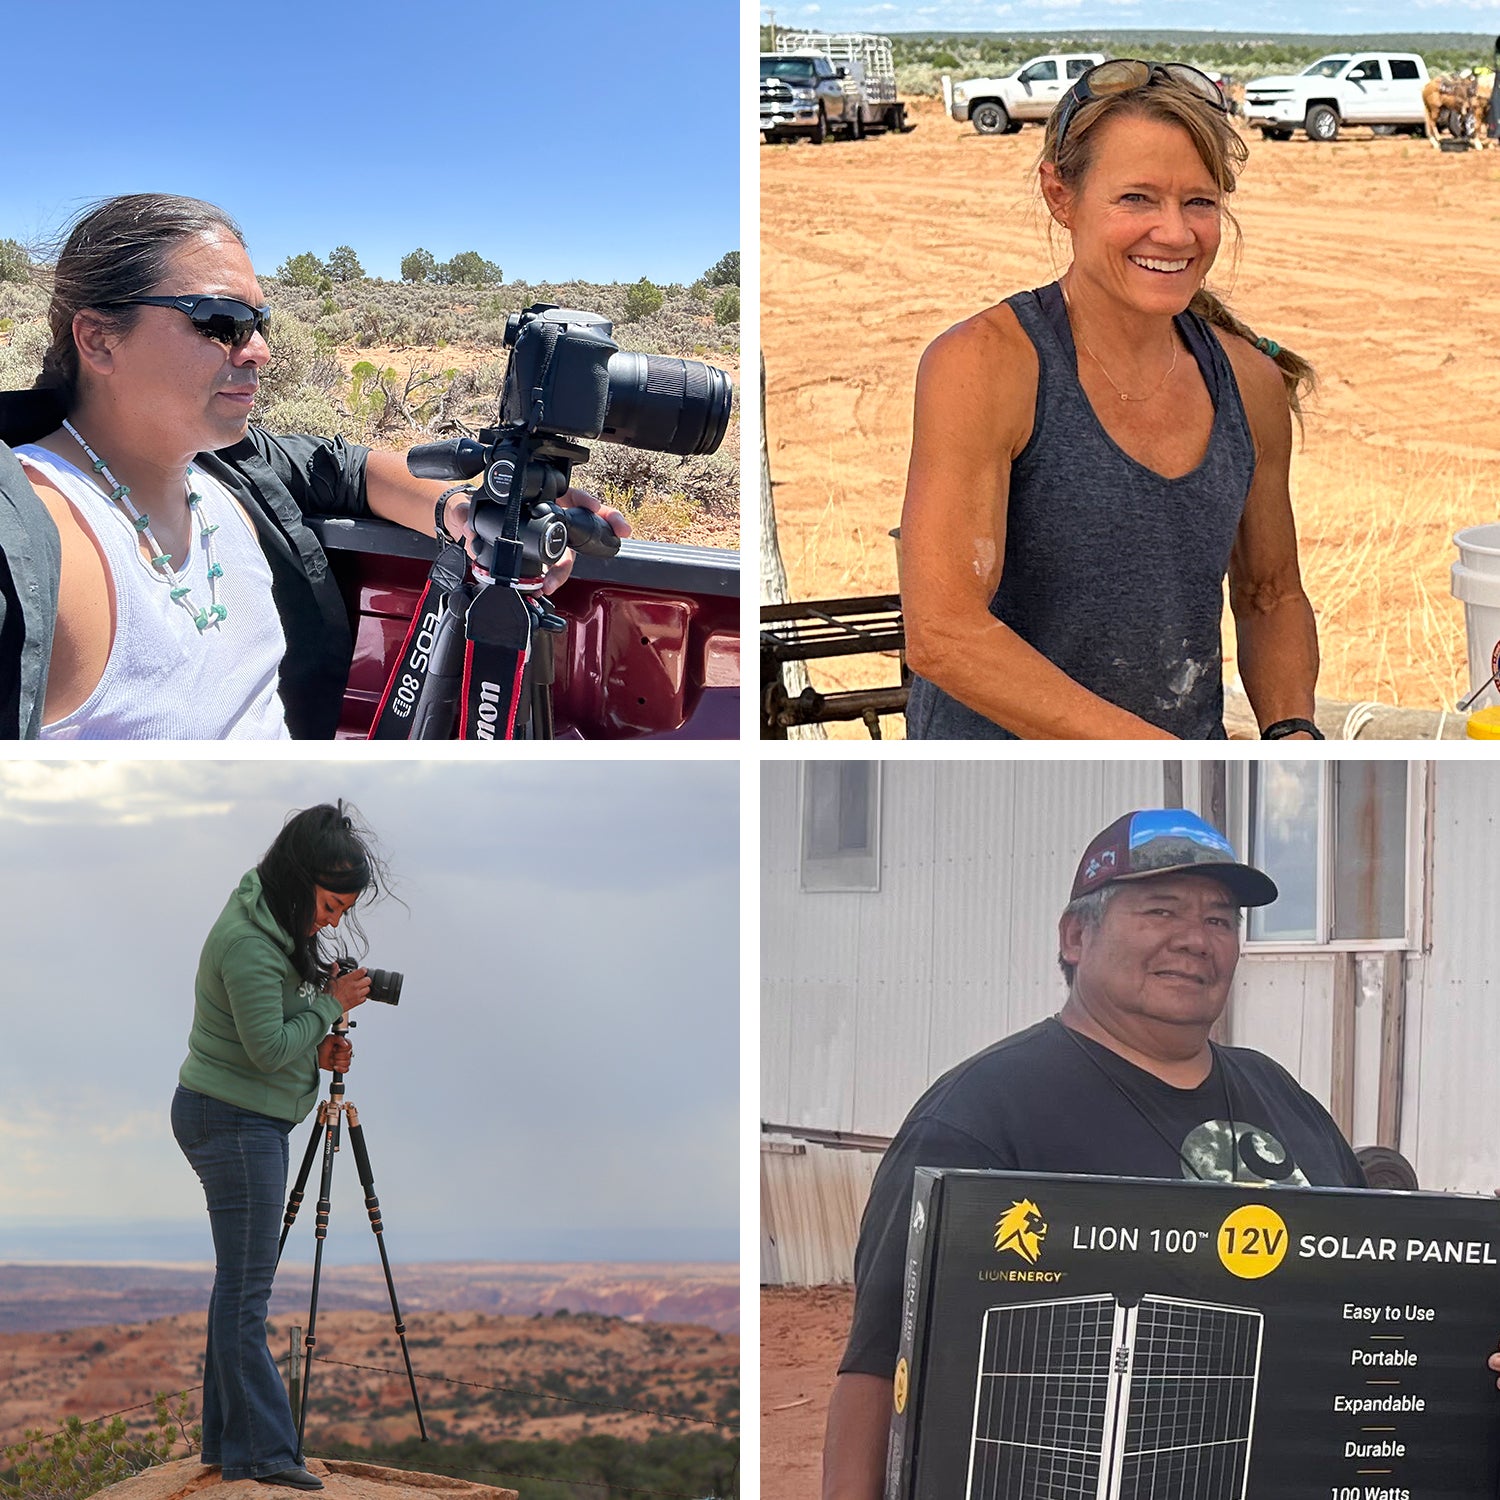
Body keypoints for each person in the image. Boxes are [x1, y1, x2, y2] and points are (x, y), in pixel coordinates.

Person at [821, 807, 1365, 1500]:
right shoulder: (979, 1115)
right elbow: (877, 1367)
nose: (1196, 941)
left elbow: (1373, 1293)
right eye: (1161, 911)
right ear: (1077, 935)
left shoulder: (1280, 1094)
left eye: (1220, 920)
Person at [0, 193, 628, 739]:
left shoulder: (226, 471)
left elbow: (351, 469)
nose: (260, 351)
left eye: (259, 323)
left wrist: (476, 513)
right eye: (221, 322)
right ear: (100, 340)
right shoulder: (35, 542)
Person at [899, 62, 1321, 741]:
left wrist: (1292, 731)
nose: (1176, 233)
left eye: (1199, 202)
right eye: (1137, 199)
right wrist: (1158, 756)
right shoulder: (985, 366)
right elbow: (945, 633)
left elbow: (1270, 596)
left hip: (1179, 798)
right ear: (1060, 196)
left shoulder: (1249, 382)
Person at [171, 803, 387, 1490]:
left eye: (341, 911)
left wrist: (318, 1036)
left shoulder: (273, 923)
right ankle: (264, 1452)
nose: (330, 921)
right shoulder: (248, 941)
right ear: (299, 881)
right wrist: (328, 1004)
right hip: (231, 1122)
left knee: (237, 1289)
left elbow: (269, 1032)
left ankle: (229, 1443)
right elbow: (266, 1050)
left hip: (244, 1117)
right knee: (248, 1297)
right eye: (328, 906)